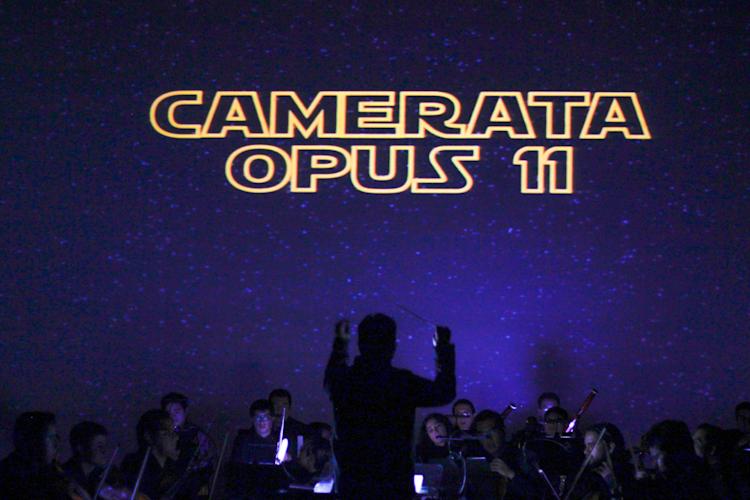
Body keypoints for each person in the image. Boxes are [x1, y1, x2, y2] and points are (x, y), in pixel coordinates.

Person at [324, 313, 455, 499]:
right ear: (392, 347)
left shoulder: (344, 381)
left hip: (352, 485)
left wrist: (340, 344)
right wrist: (442, 348)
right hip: (394, 485)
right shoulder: (401, 382)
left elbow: (332, 377)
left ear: (360, 344)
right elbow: (445, 392)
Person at [0, 411, 89, 500]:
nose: (56, 444)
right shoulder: (11, 478)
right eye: (51, 438)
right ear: (33, 441)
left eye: (56, 437)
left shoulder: (51, 471)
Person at [121, 409, 184, 499]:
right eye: (166, 433)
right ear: (149, 437)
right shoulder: (134, 464)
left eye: (174, 432)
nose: (175, 438)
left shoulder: (174, 468)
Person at [567, 422, 634, 499]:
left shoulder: (628, 476)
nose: (585, 451)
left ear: (610, 447)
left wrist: (612, 486)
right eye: (585, 446)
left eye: (591, 445)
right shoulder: (586, 476)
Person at [269, 388, 308, 455]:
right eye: (275, 405)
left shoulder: (301, 430)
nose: (279, 409)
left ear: (289, 408)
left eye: (284, 405)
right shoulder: (261, 428)